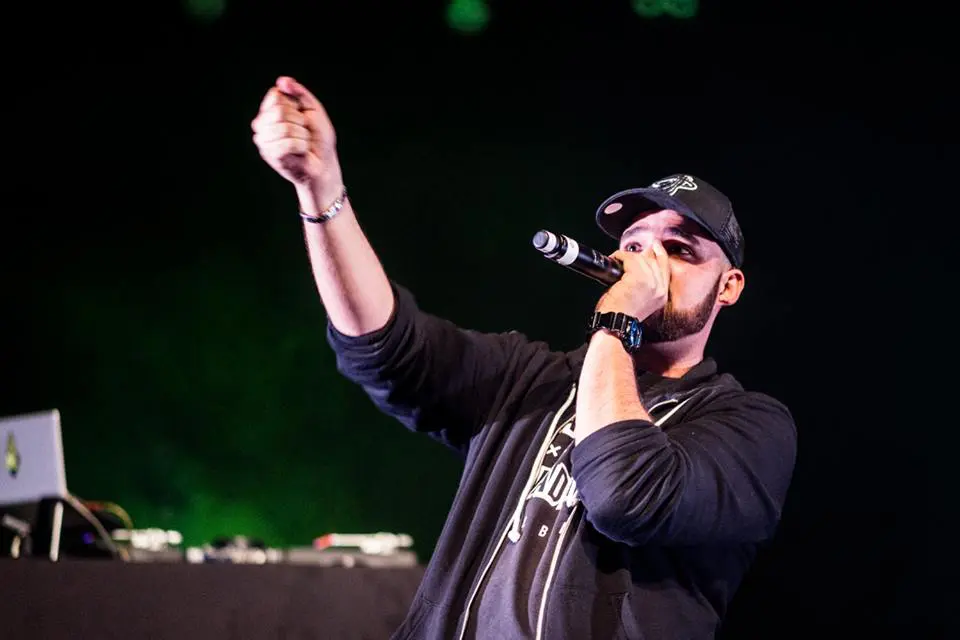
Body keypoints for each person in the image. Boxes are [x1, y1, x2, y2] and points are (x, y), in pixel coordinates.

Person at [251, 76, 797, 640]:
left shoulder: (750, 428)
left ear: (728, 286)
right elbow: (387, 347)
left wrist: (617, 322)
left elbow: (625, 495)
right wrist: (320, 190)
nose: (647, 264)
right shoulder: (531, 378)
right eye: (634, 245)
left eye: (679, 250)